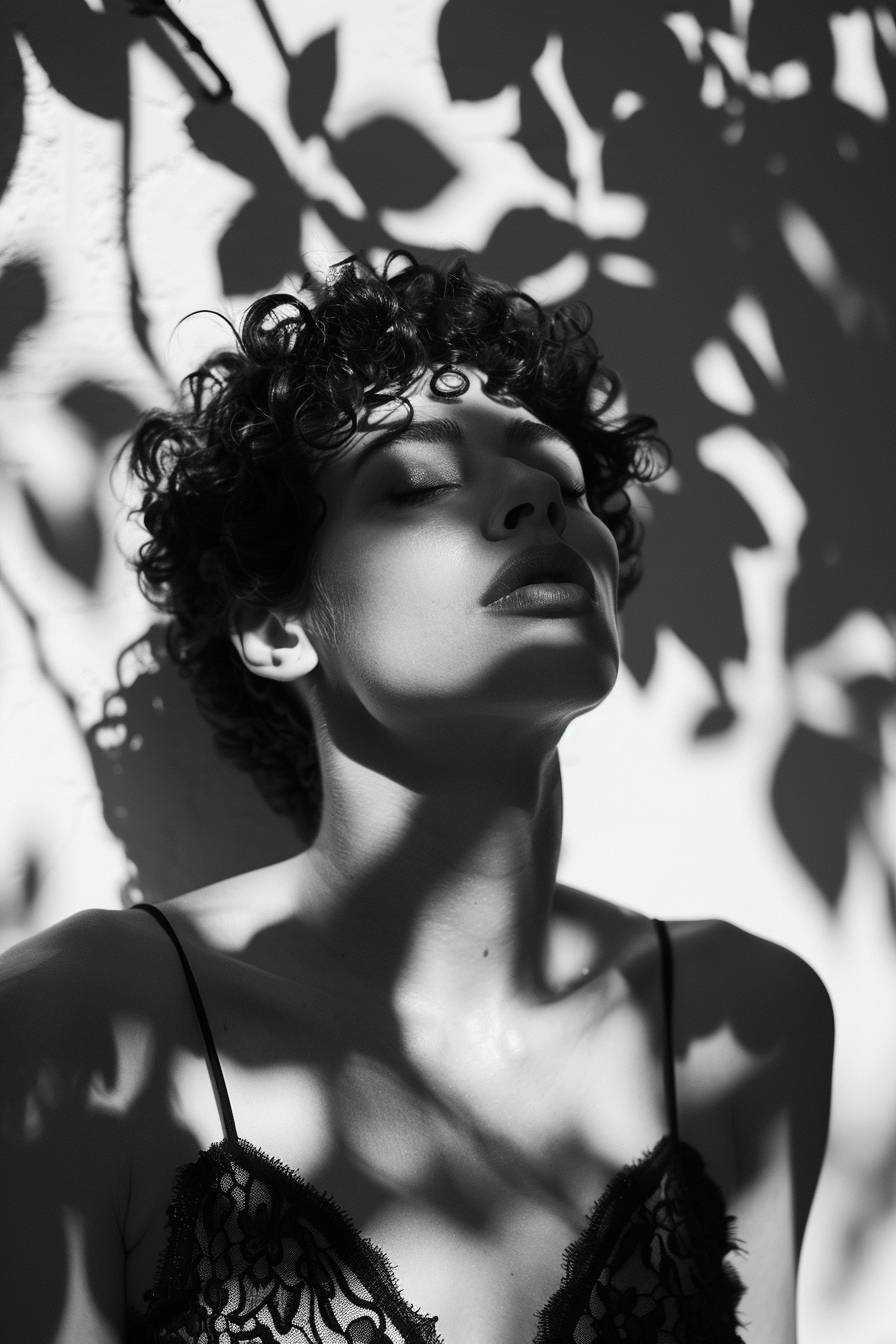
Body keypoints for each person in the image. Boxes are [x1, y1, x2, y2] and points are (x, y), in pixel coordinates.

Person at [0, 253, 833, 1344]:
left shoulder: (739, 1027)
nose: (538, 498)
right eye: (418, 485)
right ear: (277, 625)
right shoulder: (85, 1031)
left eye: (565, 486)